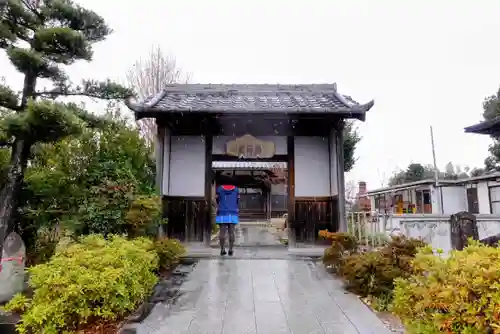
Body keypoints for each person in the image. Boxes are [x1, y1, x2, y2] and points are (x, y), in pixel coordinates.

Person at [216, 183, 239, 256]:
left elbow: (217, 200)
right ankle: (231, 250)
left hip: (222, 212)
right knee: (231, 231)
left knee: (222, 231)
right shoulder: (236, 189)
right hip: (233, 212)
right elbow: (237, 201)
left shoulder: (219, 189)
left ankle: (222, 250)